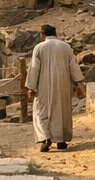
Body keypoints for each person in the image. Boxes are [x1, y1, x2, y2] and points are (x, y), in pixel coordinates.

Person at [24, 24, 85, 153]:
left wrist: (31, 87)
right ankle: (61, 140)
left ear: (43, 35)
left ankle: (46, 137)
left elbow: (34, 68)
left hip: (44, 84)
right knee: (61, 111)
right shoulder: (66, 47)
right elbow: (73, 66)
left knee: (40, 113)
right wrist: (78, 83)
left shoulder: (39, 47)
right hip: (64, 84)